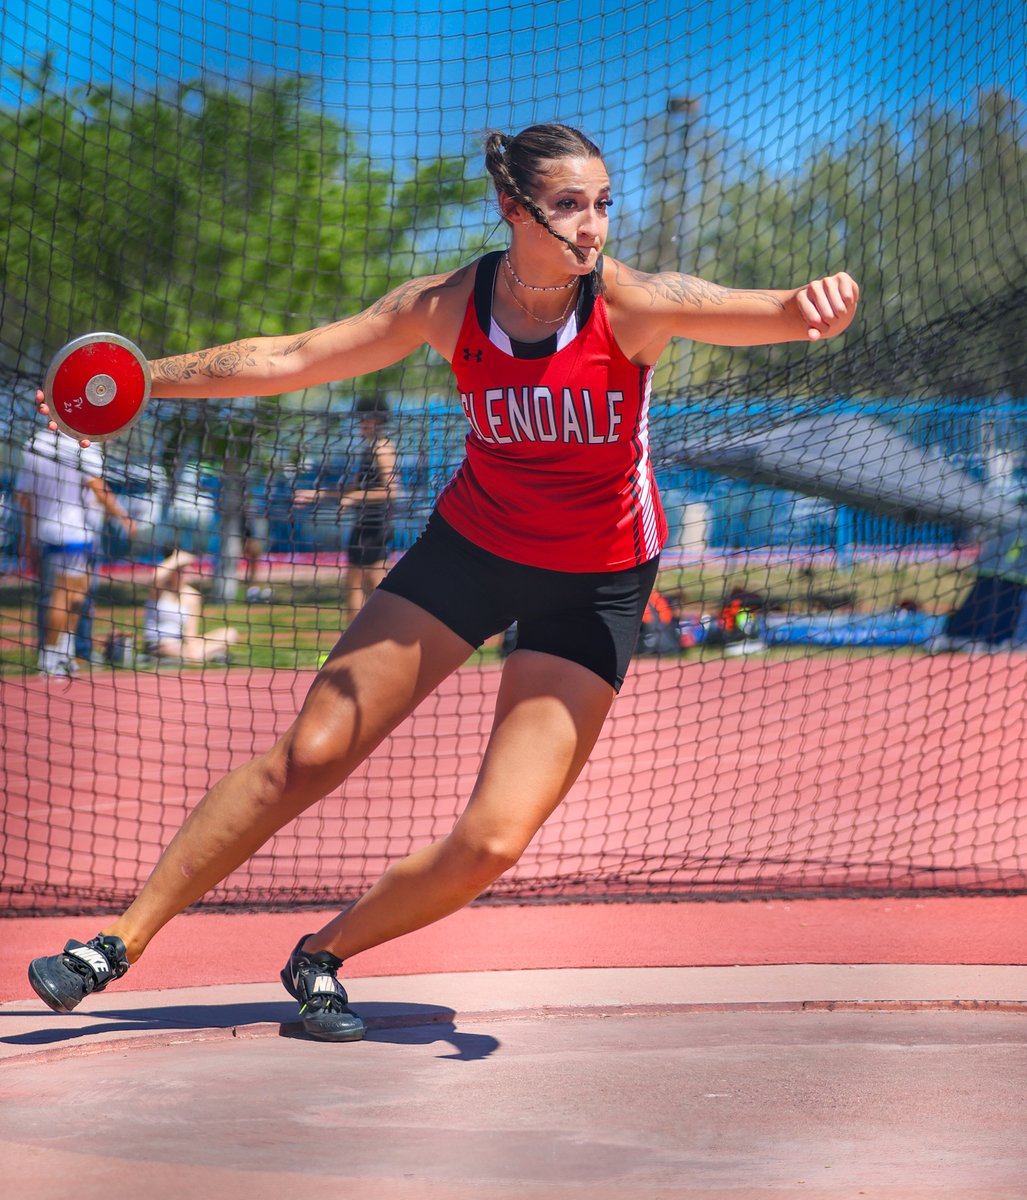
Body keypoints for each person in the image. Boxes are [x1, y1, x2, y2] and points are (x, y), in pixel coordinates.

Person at [28, 123, 859, 1039]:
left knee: (491, 842)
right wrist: (141, 378)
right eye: (571, 204)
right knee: (309, 756)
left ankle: (321, 955)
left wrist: (812, 303)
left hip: (595, 586)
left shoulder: (630, 305)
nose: (593, 224)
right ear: (513, 209)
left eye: (603, 204)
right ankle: (113, 945)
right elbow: (294, 357)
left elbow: (767, 310)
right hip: (471, 553)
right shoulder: (446, 305)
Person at [15, 425, 136, 676]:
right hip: (73, 533)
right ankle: (50, 658)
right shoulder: (83, 444)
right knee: (63, 596)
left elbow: (24, 498)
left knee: (75, 596)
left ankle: (64, 653)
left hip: (49, 532)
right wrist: (124, 518)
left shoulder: (34, 443)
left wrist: (29, 537)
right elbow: (97, 487)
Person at [294, 395, 401, 622]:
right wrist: (315, 495)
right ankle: (355, 636)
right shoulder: (368, 449)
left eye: (366, 419)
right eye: (361, 419)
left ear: (378, 420)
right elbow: (352, 490)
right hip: (362, 523)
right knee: (353, 582)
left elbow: (391, 491)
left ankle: (386, 633)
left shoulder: (383, 448)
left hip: (377, 525)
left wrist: (354, 498)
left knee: (377, 586)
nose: (362, 423)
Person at [141, 548, 240, 663]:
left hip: (180, 643)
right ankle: (209, 655)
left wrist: (191, 646)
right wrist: (176, 558)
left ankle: (198, 655)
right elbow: (155, 576)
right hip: (158, 643)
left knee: (230, 634)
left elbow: (191, 635)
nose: (187, 570)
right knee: (190, 653)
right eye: (181, 568)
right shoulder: (159, 590)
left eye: (187, 567)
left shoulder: (193, 596)